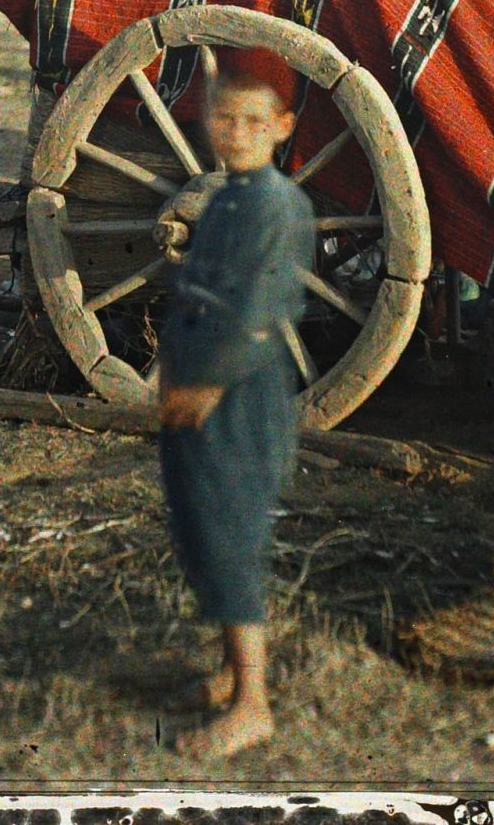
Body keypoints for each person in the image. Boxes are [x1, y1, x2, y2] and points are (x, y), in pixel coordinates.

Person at [155, 71, 315, 759]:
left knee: (231, 535)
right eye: (225, 120)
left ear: (282, 127)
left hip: (239, 394)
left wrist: (208, 383)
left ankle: (254, 702)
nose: (237, 134)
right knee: (201, 525)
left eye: (254, 122)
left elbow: (258, 309)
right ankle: (228, 673)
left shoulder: (278, 206)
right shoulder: (225, 199)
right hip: (196, 383)